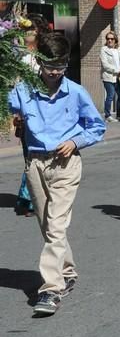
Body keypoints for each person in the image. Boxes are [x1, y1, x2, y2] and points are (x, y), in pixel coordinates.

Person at [8, 32, 106, 315]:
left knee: (56, 224)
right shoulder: (24, 90)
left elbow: (96, 127)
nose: (54, 72)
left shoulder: (76, 92)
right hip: (35, 164)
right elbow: (9, 108)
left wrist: (75, 141)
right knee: (47, 225)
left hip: (66, 164)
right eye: (49, 66)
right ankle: (67, 269)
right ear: (38, 62)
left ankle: (51, 289)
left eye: (60, 67)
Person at [14, 13, 50, 218]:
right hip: (25, 110)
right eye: (24, 30)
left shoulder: (43, 55)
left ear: (38, 32)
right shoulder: (20, 54)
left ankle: (29, 198)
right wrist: (16, 110)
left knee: (37, 155)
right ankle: (29, 198)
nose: (26, 34)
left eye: (30, 30)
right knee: (30, 155)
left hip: (43, 110)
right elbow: (17, 85)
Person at [100, 30, 120, 122]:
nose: (110, 40)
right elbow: (105, 65)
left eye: (112, 39)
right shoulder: (104, 50)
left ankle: (119, 114)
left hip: (119, 76)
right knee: (110, 95)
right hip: (108, 76)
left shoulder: (118, 50)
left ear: (115, 40)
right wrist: (117, 70)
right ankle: (108, 116)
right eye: (108, 39)